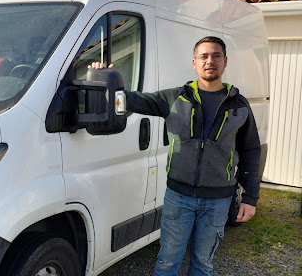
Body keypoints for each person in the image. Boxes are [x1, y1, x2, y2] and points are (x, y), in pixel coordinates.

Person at [89, 36, 260, 276]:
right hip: (179, 198)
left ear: (225, 61)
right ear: (194, 62)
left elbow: (251, 150)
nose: (210, 61)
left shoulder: (239, 105)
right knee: (168, 262)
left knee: (203, 264)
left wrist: (250, 197)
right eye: (204, 56)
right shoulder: (175, 97)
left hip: (218, 201)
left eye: (216, 55)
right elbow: (133, 99)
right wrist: (105, 80)